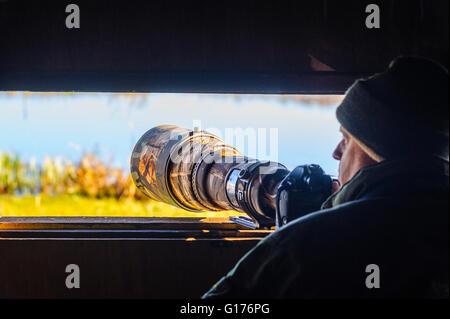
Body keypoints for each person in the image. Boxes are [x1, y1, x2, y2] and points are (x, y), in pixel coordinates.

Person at [202, 57, 449, 299]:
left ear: (374, 149)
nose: (336, 152)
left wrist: (312, 229)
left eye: (346, 139)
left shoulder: (302, 248)